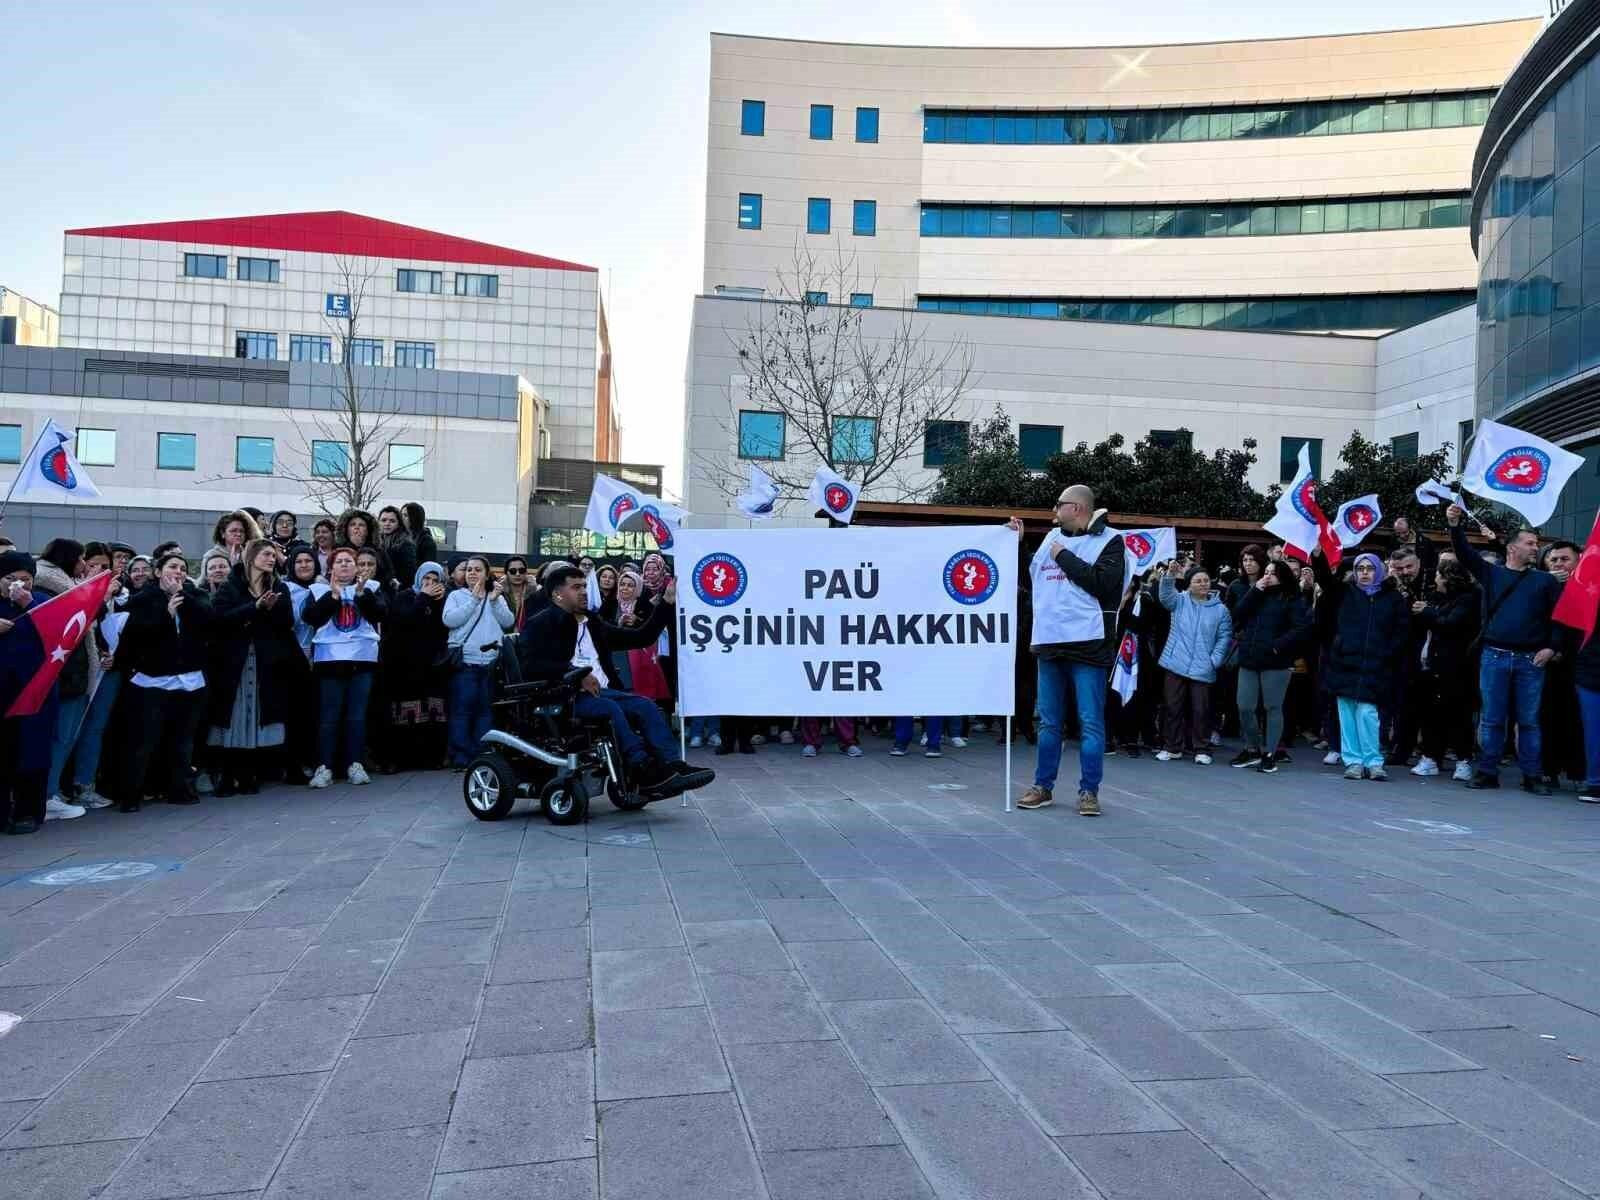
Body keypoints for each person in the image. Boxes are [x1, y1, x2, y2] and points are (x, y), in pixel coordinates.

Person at [517, 564, 715, 798]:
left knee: (645, 705)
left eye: (584, 586)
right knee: (610, 709)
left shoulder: (592, 623)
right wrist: (574, 675)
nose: (583, 592)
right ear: (558, 594)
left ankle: (672, 767)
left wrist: (667, 602)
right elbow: (530, 666)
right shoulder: (541, 622)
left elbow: (643, 636)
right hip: (565, 696)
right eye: (576, 587)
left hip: (603, 691)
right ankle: (643, 768)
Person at [1008, 484, 1126, 816]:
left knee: (1090, 722)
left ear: (1077, 508)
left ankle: (1089, 792)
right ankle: (1042, 786)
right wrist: (1018, 548)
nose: (1054, 511)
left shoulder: (1111, 541)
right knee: (1048, 722)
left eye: (1059, 505)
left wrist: (1064, 556)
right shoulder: (1050, 538)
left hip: (1089, 644)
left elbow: (1101, 584)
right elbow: (1034, 579)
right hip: (1050, 642)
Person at [1447, 503, 1563, 794]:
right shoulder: (1492, 573)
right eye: (1530, 543)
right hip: (1494, 656)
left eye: (1536, 543)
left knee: (1529, 721)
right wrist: (1454, 525)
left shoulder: (1546, 581)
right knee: (1492, 718)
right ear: (1512, 549)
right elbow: (1464, 554)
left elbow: (1559, 619)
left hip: (1530, 661)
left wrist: (1551, 648)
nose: (1536, 548)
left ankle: (1532, 776)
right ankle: (1487, 771)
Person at [116, 552, 214, 811]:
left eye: (183, 568)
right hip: (153, 681)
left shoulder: (193, 596)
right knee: (144, 740)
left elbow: (209, 622)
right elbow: (134, 638)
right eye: (173, 567)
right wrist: (166, 615)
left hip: (189, 680)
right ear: (158, 572)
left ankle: (179, 788)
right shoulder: (143, 600)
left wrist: (182, 603)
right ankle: (132, 794)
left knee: (182, 739)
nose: (179, 572)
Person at [204, 539, 297, 795]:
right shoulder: (231, 586)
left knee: (256, 713)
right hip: (234, 661)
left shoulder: (278, 587)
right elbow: (219, 620)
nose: (272, 559)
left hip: (265, 661)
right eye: (267, 554)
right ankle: (227, 775)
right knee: (232, 714)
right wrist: (254, 608)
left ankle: (248, 773)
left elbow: (286, 622)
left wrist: (271, 608)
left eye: (274, 555)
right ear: (252, 556)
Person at [1313, 550, 1409, 781]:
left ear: (1380, 570)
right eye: (1360, 569)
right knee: (1346, 713)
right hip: (1345, 662)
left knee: (1368, 713)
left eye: (1370, 568)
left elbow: (1401, 630)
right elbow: (1325, 579)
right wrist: (1318, 556)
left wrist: (1387, 654)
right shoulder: (1345, 592)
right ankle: (1354, 761)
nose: (1365, 573)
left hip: (1376, 665)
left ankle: (1374, 761)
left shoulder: (1393, 598)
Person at [302, 545, 389, 787]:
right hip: (330, 661)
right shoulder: (318, 589)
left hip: (362, 660)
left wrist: (362, 595)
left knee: (357, 717)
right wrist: (333, 597)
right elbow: (311, 617)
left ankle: (355, 764)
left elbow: (380, 614)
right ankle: (325, 767)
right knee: (329, 717)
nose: (344, 565)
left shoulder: (371, 588)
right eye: (339, 561)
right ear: (331, 567)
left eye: (349, 561)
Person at [1229, 560, 1312, 773]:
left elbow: (1300, 629)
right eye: (1265, 572)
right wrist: (1254, 592)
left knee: (1272, 707)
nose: (1267, 576)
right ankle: (1252, 748)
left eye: (1273, 573)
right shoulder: (1255, 593)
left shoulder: (1293, 598)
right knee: (1245, 706)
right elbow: (1237, 614)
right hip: (1249, 658)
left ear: (1283, 576)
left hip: (1276, 661)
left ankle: (1270, 752)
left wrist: (1277, 647)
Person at [33, 540, 93, 820]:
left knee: (65, 735)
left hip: (73, 672)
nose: (84, 565)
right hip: (64, 674)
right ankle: (47, 795)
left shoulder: (65, 584)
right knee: (60, 736)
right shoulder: (49, 588)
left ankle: (49, 792)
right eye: (81, 558)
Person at [0, 551, 57, 833]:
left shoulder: (44, 602)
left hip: (35, 692)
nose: (19, 584)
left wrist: (30, 604)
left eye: (26, 579)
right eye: (11, 578)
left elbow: (61, 630)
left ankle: (29, 811)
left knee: (31, 751)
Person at [442, 555, 516, 769]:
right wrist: (473, 600)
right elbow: (449, 620)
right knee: (462, 710)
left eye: (477, 570)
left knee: (486, 710)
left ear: (487, 574)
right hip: (465, 663)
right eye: (468, 570)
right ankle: (462, 756)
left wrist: (493, 601)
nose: (472, 573)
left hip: (491, 663)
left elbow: (508, 622)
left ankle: (482, 754)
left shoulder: (495, 596)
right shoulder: (456, 595)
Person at [1155, 562, 1233, 765]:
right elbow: (1165, 597)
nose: (1203, 584)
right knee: (1172, 707)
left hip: (1203, 666)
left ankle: (1201, 749)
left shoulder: (1221, 609)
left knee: (1201, 709)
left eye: (1206, 580)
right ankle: (1172, 747)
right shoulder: (1179, 600)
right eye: (1197, 581)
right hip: (1175, 662)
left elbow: (1224, 637)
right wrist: (1170, 576)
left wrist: (1214, 660)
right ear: (1189, 584)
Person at [1411, 558, 1481, 781]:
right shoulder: (1437, 599)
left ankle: (1463, 760)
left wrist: (1427, 612)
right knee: (1431, 715)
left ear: (1448, 578)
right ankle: (1431, 757)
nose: (1435, 580)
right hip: (1431, 665)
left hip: (1457, 667)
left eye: (1438, 576)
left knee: (1458, 714)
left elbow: (1450, 624)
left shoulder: (1468, 599)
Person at [382, 561, 450, 771]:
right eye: (426, 579)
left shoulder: (443, 601)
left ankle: (430, 758)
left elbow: (444, 628)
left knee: (431, 712)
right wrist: (424, 597)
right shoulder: (405, 596)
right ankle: (401, 759)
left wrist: (438, 603)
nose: (429, 584)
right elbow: (405, 620)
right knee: (406, 713)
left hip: (432, 666)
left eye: (434, 580)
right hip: (405, 664)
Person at [1540, 540, 1584, 789]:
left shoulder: (1588, 588)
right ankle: (1549, 770)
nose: (1558, 564)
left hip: (1580, 663)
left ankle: (1578, 771)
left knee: (1576, 718)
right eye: (1554, 559)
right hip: (1546, 662)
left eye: (1564, 559)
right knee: (1547, 716)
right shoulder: (1540, 586)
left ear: (1578, 560)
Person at [1384, 545, 1429, 767]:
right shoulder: (1391, 586)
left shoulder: (1431, 582)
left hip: (1428, 652)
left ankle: (1429, 752)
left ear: (1418, 562)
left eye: (1409, 566)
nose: (1405, 571)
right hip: (1401, 652)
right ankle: (1401, 747)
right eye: (1400, 568)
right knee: (1402, 704)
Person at [281, 545, 321, 783]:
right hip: (292, 656)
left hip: (319, 656)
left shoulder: (323, 588)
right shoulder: (284, 588)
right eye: (299, 561)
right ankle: (292, 765)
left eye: (308, 561)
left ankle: (312, 760)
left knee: (313, 714)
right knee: (293, 714)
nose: (304, 565)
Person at [377, 505, 417, 586]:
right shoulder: (376, 541)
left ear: (399, 523)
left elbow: (409, 575)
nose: (387, 524)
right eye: (383, 520)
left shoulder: (406, 544)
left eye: (392, 521)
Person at [402, 502, 437, 569]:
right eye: (401, 515)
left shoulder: (426, 541)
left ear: (415, 518)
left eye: (406, 515)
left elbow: (428, 567)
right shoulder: (400, 537)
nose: (402, 518)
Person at [501, 555, 533, 627]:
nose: (517, 574)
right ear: (506, 573)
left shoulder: (534, 593)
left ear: (526, 572)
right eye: (513, 571)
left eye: (521, 571)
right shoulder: (499, 594)